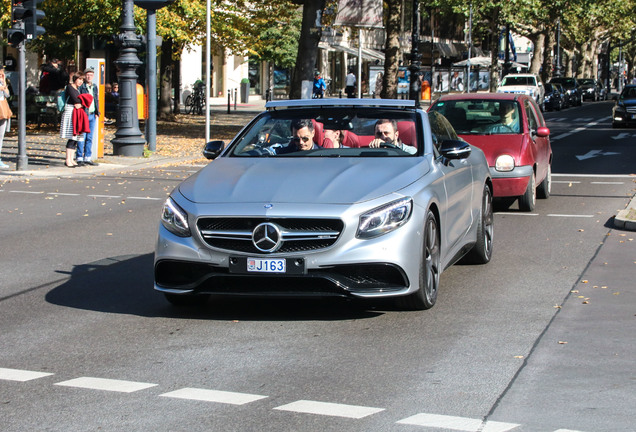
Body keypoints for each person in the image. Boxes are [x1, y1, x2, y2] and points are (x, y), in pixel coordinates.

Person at [60, 71, 91, 168]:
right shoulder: (70, 87)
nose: (81, 82)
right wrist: (82, 102)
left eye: (82, 80)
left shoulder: (77, 89)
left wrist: (81, 103)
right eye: (79, 79)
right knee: (72, 136)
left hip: (76, 114)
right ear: (75, 79)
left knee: (76, 138)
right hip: (71, 113)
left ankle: (71, 159)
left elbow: (80, 102)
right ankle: (67, 159)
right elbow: (76, 100)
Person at [78, 67, 100, 166]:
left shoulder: (94, 86)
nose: (89, 76)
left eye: (91, 75)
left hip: (92, 114)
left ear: (93, 76)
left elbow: (96, 99)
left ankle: (87, 157)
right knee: (82, 136)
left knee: (90, 137)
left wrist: (97, 112)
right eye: (87, 75)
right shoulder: (82, 87)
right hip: (84, 114)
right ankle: (79, 157)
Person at [0, 67, 11, 169]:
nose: (1, 75)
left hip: (3, 109)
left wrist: (3, 83)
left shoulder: (2, 83)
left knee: (1, 136)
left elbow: (7, 95)